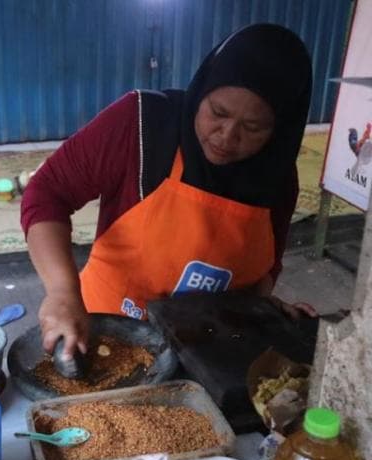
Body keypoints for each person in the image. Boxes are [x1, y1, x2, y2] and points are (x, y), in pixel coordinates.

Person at [20, 24, 317, 359]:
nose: (227, 136)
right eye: (218, 112)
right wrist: (62, 291)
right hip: (106, 334)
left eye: (253, 128)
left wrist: (259, 309)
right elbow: (47, 192)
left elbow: (265, 267)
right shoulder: (143, 124)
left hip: (203, 353)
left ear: (281, 132)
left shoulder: (276, 174)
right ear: (203, 88)